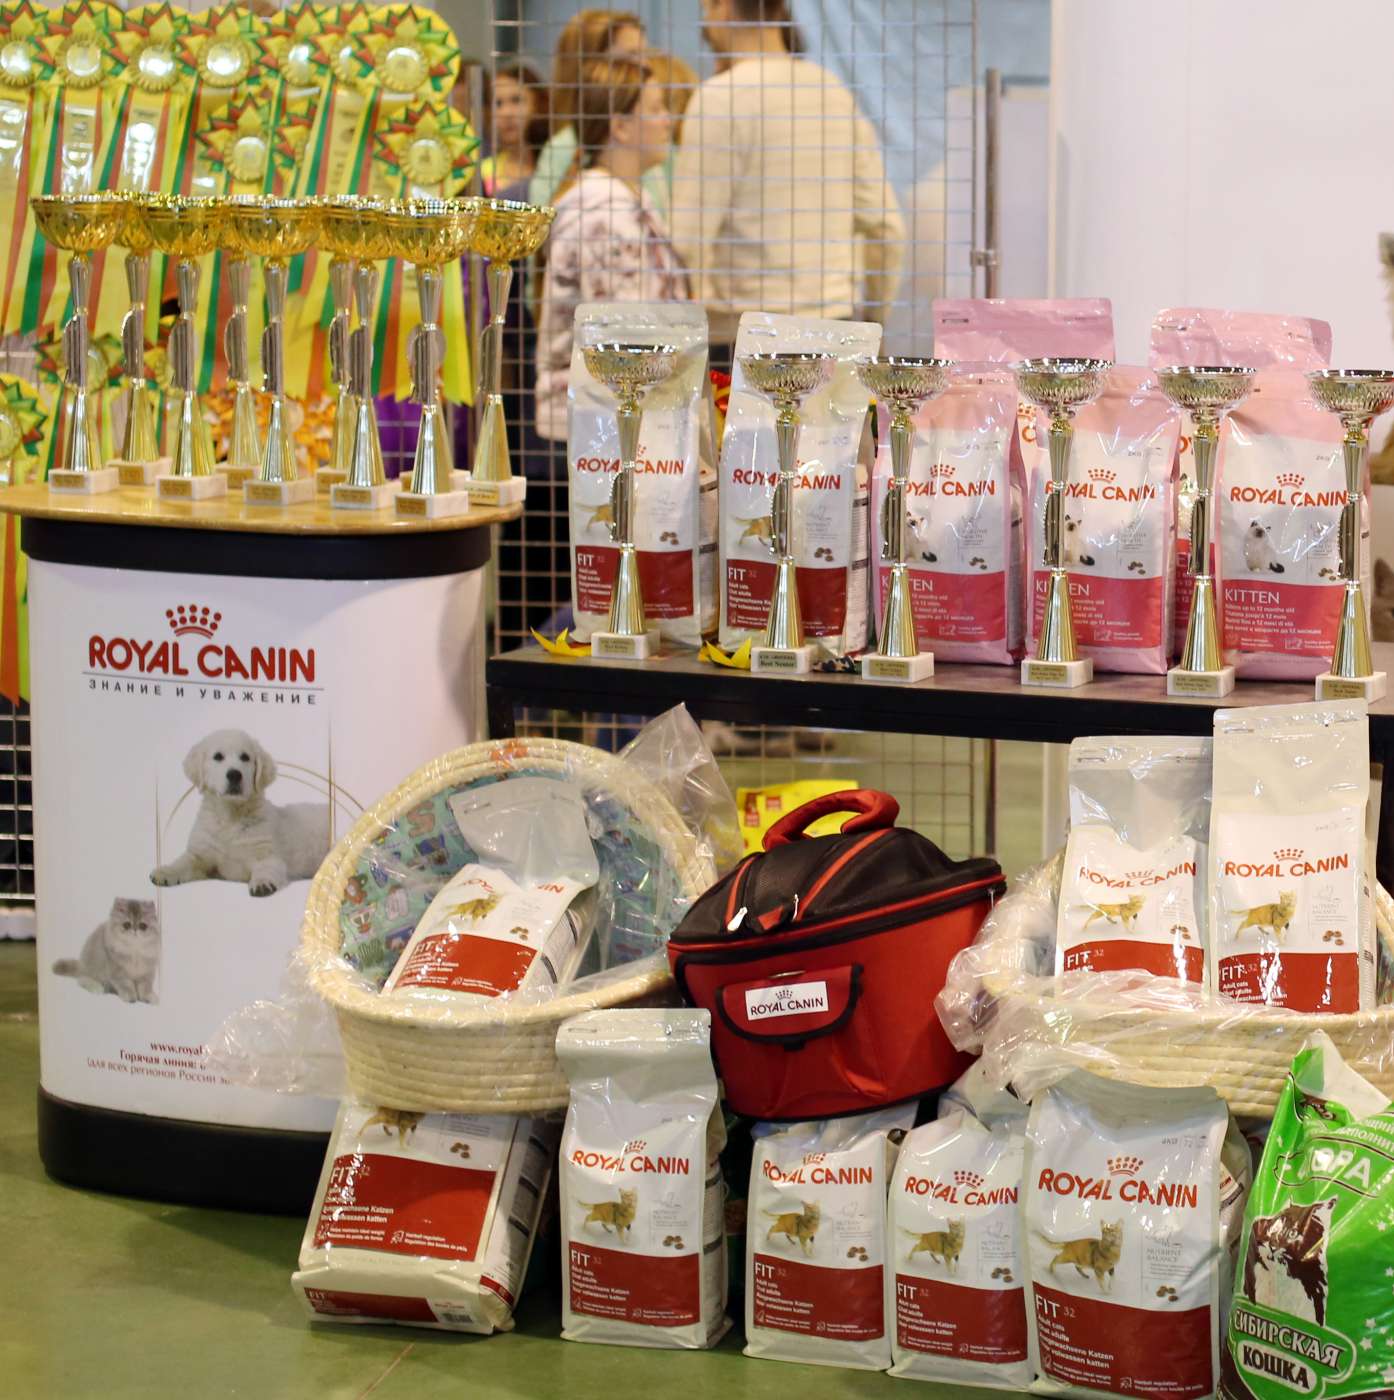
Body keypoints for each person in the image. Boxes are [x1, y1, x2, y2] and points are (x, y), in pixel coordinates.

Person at [669, 0, 906, 371]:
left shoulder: (719, 99)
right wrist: (874, 318)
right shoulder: (834, 94)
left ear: (724, 7)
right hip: (834, 330)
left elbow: (687, 241)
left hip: (743, 338)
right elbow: (886, 228)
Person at [534, 56, 685, 443]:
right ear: (620, 126)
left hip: (619, 416)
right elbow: (624, 331)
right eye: (655, 109)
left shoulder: (630, 199)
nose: (667, 120)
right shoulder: (604, 212)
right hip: (599, 425)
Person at [528, 9, 668, 214]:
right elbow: (544, 227)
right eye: (631, 56)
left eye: (645, 54)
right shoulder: (563, 149)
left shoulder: (650, 137)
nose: (646, 65)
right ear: (592, 68)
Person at [480, 62, 548, 197]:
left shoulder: (556, 163)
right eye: (498, 104)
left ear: (538, 105)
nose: (507, 113)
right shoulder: (484, 171)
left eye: (516, 100)